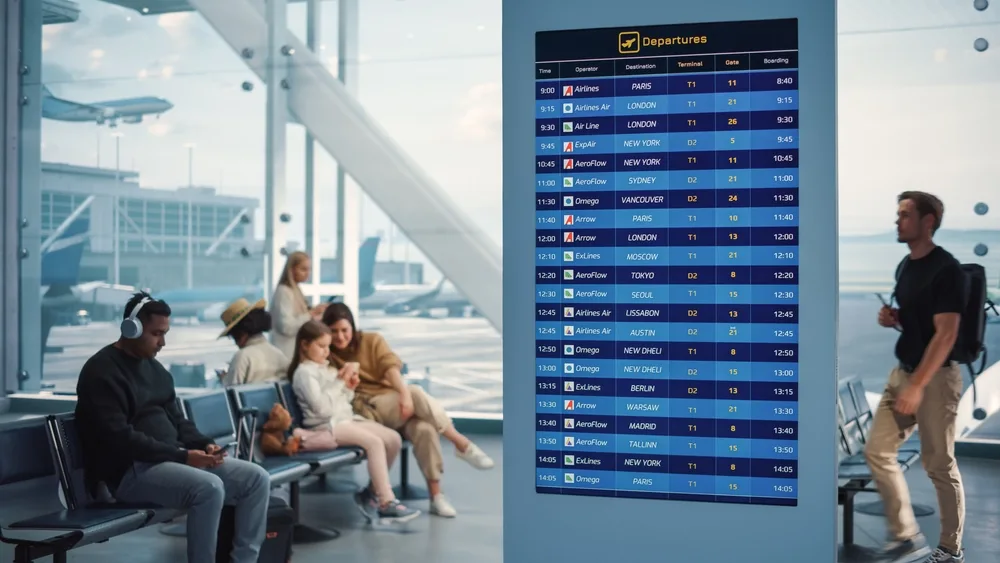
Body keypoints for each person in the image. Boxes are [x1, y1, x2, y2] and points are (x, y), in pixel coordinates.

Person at [75, 292, 272, 563]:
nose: (163, 342)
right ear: (132, 328)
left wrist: (204, 445)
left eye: (165, 333)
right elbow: (120, 438)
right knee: (209, 488)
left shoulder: (156, 371)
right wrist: (183, 456)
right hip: (128, 472)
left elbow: (178, 421)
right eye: (157, 334)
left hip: (170, 461)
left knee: (256, 479)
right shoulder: (101, 372)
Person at [864, 191, 968, 563]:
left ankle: (951, 549)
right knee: (877, 451)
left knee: (939, 465)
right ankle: (906, 537)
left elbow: (947, 334)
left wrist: (918, 386)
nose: (897, 221)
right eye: (897, 215)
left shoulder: (948, 270)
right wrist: (894, 318)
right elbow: (920, 323)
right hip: (902, 373)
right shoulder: (905, 266)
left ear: (928, 222)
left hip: (936, 379)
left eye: (905, 215)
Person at [322, 303, 494, 518]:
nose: (339, 336)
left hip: (393, 404)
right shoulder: (326, 354)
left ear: (353, 327)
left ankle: (436, 497)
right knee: (415, 392)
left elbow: (390, 366)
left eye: (344, 330)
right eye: (334, 331)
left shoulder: (371, 340)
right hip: (367, 410)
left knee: (424, 429)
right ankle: (460, 443)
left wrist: (402, 394)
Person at [289, 320, 421, 524]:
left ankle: (370, 492)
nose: (326, 352)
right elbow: (322, 410)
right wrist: (340, 383)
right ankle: (386, 502)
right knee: (374, 443)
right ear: (305, 345)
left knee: (393, 438)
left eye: (328, 346)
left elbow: (342, 402)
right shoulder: (305, 373)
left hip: (345, 420)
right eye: (321, 346)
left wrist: (348, 388)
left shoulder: (325, 368)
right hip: (327, 426)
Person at [219, 297, 289, 386]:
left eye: (233, 337)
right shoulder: (279, 354)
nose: (235, 342)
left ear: (241, 333)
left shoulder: (242, 357)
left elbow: (231, 391)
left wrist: (225, 379)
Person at [270, 251, 328, 358]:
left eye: (309, 269)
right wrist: (310, 314)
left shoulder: (296, 290)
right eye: (303, 269)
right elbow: (286, 327)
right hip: (286, 352)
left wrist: (315, 312)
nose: (307, 273)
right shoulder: (284, 292)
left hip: (295, 351)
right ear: (292, 270)